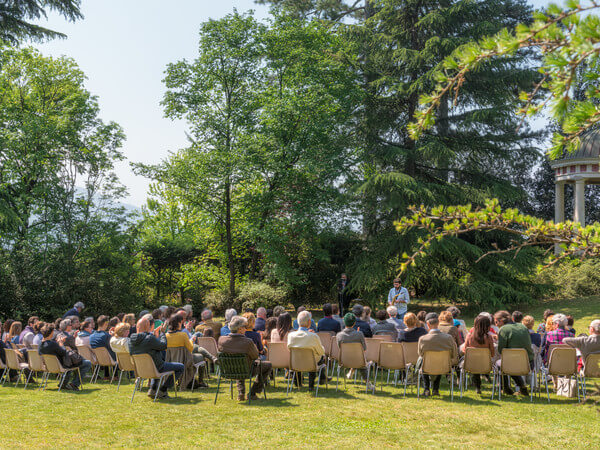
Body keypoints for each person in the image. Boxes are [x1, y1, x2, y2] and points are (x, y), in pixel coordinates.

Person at [218, 316, 272, 401]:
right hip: (247, 370)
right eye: (244, 327)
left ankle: (241, 393)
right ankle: (252, 393)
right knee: (267, 365)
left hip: (228, 370)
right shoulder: (248, 342)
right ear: (239, 329)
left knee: (239, 364)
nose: (246, 329)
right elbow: (255, 356)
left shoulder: (221, 340)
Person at [129, 315, 184, 399]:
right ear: (148, 326)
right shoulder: (150, 338)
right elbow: (163, 346)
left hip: (140, 370)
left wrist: (155, 336)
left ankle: (153, 389)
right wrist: (162, 333)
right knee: (180, 367)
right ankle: (163, 390)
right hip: (156, 368)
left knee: (156, 360)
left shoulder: (131, 340)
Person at [38, 323, 91, 391]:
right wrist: (61, 343)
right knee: (87, 363)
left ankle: (63, 384)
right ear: (51, 332)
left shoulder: (40, 344)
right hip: (61, 365)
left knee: (74, 361)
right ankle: (74, 384)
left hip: (49, 366)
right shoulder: (52, 344)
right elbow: (64, 352)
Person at [417, 312, 459, 396]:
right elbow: (454, 354)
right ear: (438, 323)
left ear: (427, 324)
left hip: (427, 366)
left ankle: (426, 389)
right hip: (444, 366)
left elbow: (420, 354)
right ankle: (435, 389)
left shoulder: (423, 339)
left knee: (422, 360)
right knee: (440, 360)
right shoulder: (448, 338)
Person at [166, 314, 211, 388]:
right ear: (178, 323)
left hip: (170, 362)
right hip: (184, 361)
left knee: (198, 354)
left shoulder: (166, 336)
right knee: (201, 357)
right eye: (181, 322)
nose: (182, 324)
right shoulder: (183, 335)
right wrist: (192, 341)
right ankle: (200, 381)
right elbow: (190, 348)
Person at [495, 310, 533, 396]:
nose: (495, 324)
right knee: (509, 362)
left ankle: (505, 388)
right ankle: (522, 387)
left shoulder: (503, 329)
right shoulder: (523, 327)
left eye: (496, 321)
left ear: (501, 320)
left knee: (500, 364)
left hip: (514, 363)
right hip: (528, 362)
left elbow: (501, 350)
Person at [288, 311, 327, 390]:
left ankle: (297, 382)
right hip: (311, 363)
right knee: (318, 356)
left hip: (296, 362)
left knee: (303, 356)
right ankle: (311, 385)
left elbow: (289, 349)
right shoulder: (313, 336)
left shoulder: (290, 335)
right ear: (309, 322)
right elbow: (321, 352)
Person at [335, 313, 374, 390]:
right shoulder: (359, 334)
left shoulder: (339, 335)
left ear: (344, 322)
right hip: (358, 361)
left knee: (357, 359)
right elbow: (364, 349)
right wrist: (358, 335)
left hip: (344, 360)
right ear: (354, 323)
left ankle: (351, 372)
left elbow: (340, 348)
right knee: (361, 361)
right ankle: (368, 383)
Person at [462, 315, 495, 394]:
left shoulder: (469, 336)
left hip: (472, 364)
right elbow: (492, 353)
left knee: (474, 363)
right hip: (485, 364)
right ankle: (479, 384)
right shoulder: (489, 337)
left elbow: (465, 350)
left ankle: (477, 386)